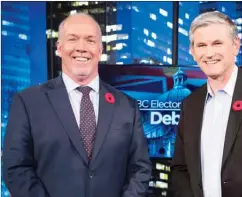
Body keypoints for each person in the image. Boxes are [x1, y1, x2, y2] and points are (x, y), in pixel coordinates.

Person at [3, 13, 152, 197]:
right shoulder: (28, 102)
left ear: (99, 50)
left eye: (90, 40)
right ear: (59, 48)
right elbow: (16, 168)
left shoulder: (127, 106)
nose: (81, 48)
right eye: (73, 39)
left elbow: (140, 169)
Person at [171, 11, 242, 197]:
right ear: (192, 52)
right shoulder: (190, 104)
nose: (209, 53)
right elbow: (180, 168)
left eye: (217, 43)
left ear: (236, 45)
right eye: (202, 45)